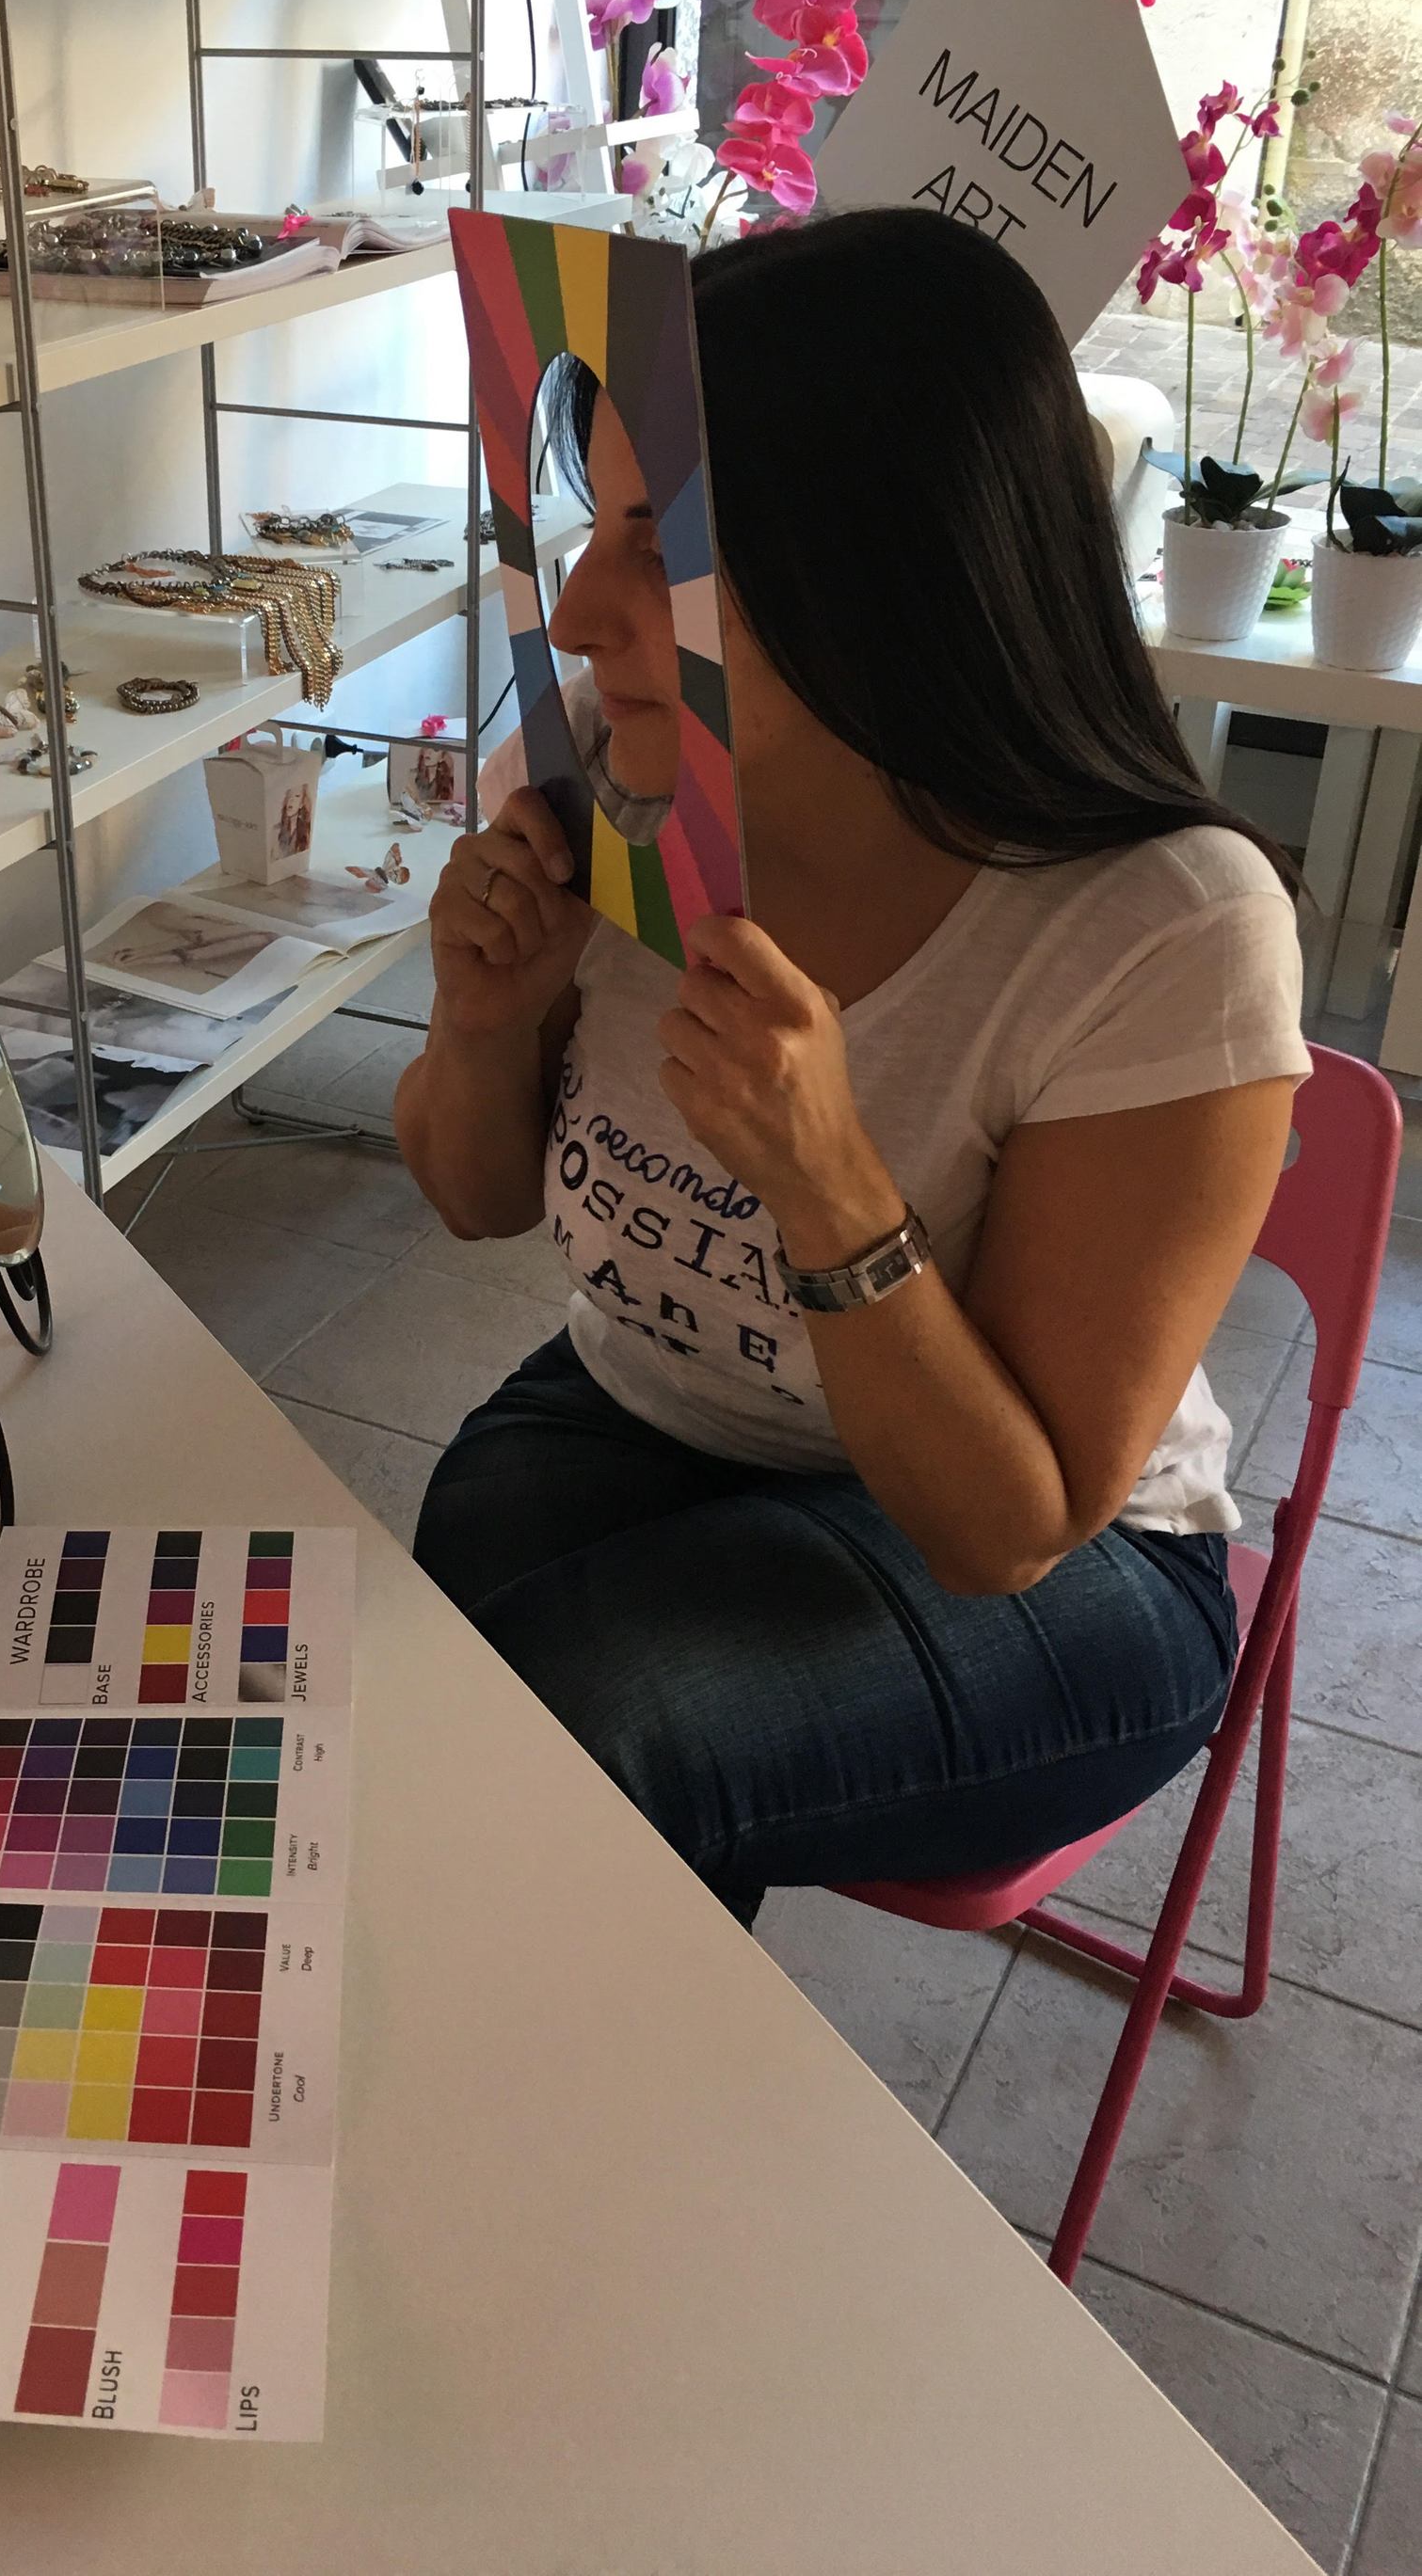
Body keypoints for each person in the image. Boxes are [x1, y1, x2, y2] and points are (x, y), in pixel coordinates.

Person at [397, 208, 1309, 1929]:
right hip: (665, 1412)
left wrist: (827, 1182)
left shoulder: (1163, 927)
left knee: (593, 1720)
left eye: (655, 544)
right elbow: (469, 1197)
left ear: (883, 560)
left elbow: (1009, 1528)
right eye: (592, 529)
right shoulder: (621, 778)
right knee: (438, 1664)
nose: (587, 610)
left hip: (1066, 1555)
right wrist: (485, 1019)